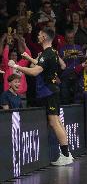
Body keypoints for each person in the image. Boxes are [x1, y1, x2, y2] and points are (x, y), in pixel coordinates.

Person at [8, 28, 73, 166]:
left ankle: (66, 155)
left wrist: (17, 66)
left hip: (49, 92)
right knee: (57, 122)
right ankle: (67, 154)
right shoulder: (52, 52)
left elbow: (35, 72)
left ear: (44, 37)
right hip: (53, 90)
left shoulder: (47, 53)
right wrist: (29, 58)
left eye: (39, 35)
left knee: (54, 122)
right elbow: (43, 65)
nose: (38, 36)